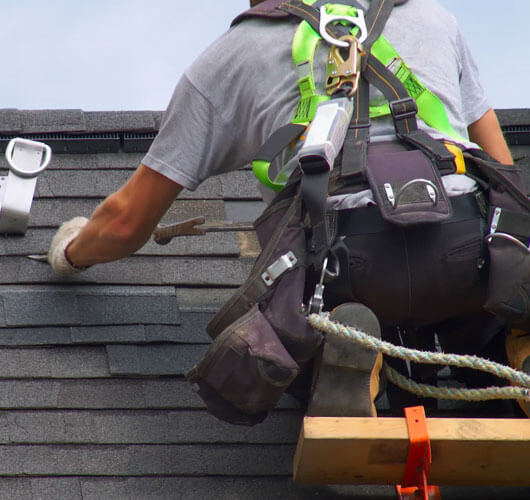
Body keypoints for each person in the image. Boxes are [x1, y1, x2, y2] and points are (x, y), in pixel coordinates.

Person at [48, 0, 529, 416]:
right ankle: (516, 349)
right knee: (488, 294)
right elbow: (507, 179)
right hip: (466, 254)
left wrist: (70, 252)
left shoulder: (231, 57)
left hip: (344, 268)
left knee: (297, 321)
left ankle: (345, 355)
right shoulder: (431, 16)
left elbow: (127, 222)